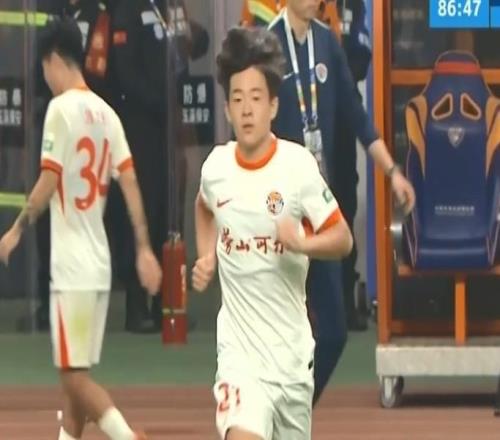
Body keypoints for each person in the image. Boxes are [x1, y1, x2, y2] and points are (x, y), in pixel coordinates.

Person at [0, 18, 162, 440]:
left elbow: (48, 180)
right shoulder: (108, 114)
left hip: (72, 266)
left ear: (54, 60)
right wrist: (144, 247)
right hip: (99, 263)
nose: (45, 77)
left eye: (44, 67)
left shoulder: (60, 110)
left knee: (73, 379)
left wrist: (16, 230)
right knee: (75, 379)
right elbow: (130, 183)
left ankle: (127, 437)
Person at [192, 27, 353, 440]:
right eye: (237, 99)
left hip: (291, 362)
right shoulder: (216, 169)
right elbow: (204, 206)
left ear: (274, 106)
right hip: (239, 361)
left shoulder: (297, 168)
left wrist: (302, 243)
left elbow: (342, 238)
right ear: (227, 109)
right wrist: (207, 255)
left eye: (256, 98)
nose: (247, 110)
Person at [268, 0, 415, 404]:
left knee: (333, 331)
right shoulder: (267, 44)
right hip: (278, 209)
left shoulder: (327, 43)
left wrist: (392, 171)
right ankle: (268, 415)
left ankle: (294, 409)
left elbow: (356, 115)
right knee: (278, 329)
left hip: (318, 207)